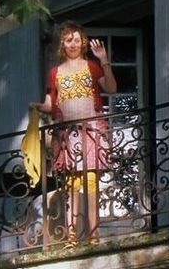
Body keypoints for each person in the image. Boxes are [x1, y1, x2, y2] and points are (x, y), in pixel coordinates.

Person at [29, 21, 117, 246]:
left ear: (83, 42)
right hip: (67, 133)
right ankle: (71, 236)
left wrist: (104, 60)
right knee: (72, 183)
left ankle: (94, 235)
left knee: (91, 181)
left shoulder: (92, 66)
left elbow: (111, 88)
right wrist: (38, 106)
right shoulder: (55, 73)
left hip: (90, 129)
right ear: (63, 43)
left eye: (77, 40)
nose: (73, 44)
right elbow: (51, 104)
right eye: (69, 40)